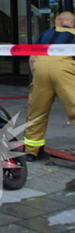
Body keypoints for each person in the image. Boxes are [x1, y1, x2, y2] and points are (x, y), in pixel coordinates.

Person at [24, 11, 75, 162]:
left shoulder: (46, 33)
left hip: (40, 69)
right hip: (64, 70)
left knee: (37, 111)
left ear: (60, 21)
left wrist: (38, 76)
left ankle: (32, 152)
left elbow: (32, 59)